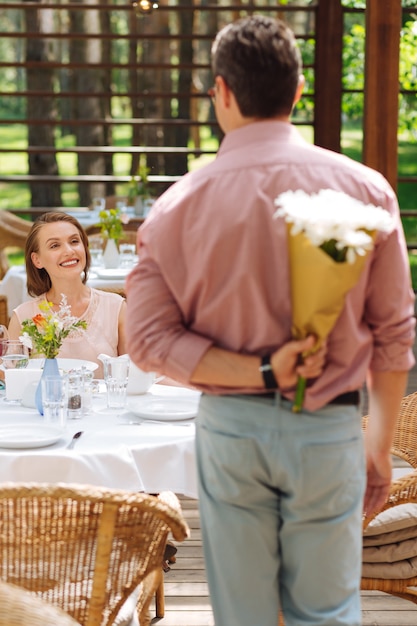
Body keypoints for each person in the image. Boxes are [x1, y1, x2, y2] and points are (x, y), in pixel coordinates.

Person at [125, 16, 415, 626]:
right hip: (330, 431)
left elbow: (148, 340)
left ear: (222, 93)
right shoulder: (366, 190)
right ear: (299, 89)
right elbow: (394, 334)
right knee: (329, 612)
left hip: (232, 432)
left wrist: (258, 370)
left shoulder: (177, 205)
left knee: (245, 617)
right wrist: (379, 446)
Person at [8, 212, 126, 377]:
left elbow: (134, 377)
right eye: (55, 245)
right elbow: (12, 383)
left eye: (74, 241)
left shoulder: (116, 307)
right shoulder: (23, 317)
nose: (69, 251)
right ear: (37, 260)